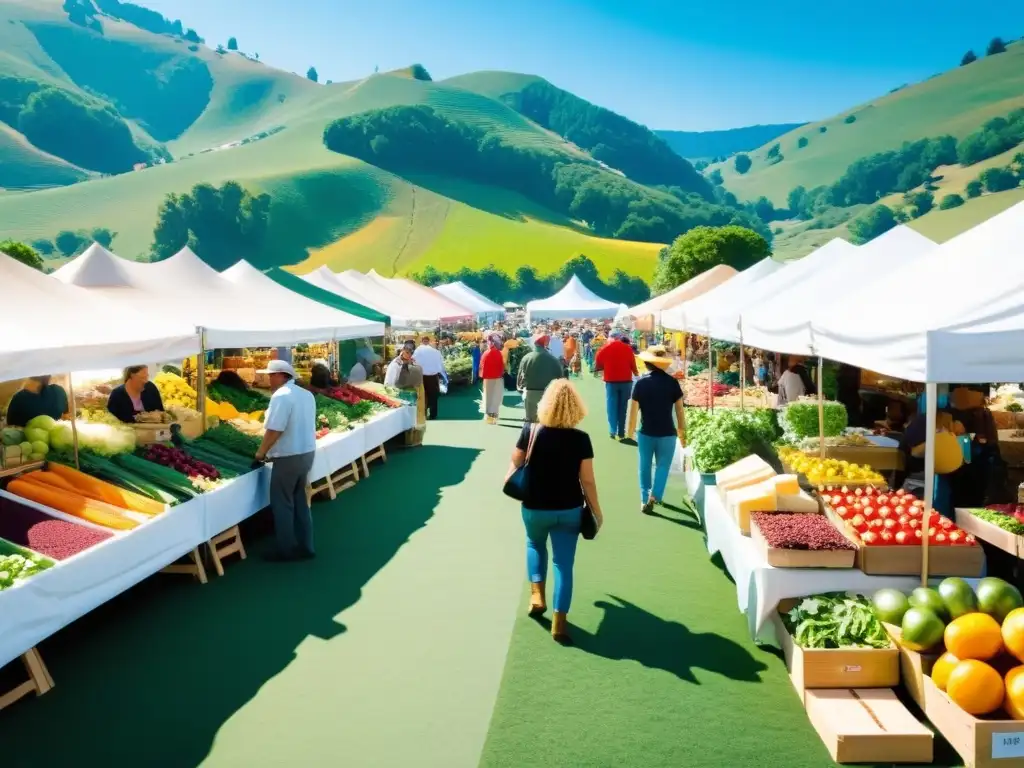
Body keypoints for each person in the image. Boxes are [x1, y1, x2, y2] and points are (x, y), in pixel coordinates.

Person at [506, 380, 603, 645]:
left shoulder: (531, 431)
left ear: (544, 404)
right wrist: (596, 510)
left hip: (535, 505)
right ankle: (560, 622)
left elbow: (516, 462)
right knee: (564, 564)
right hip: (569, 507)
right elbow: (588, 481)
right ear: (576, 408)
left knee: (535, 544)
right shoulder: (581, 439)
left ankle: (537, 594)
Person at [255, 360, 318, 562]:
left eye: (271, 375)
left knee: (282, 503)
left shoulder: (281, 396)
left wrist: (260, 452)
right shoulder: (306, 394)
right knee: (300, 499)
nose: (268, 378)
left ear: (282, 375)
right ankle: (306, 545)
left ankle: (285, 549)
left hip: (289, 456)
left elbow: (275, 429)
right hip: (307, 453)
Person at [626, 346, 686, 514]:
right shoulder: (673, 383)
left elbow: (633, 410)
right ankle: (655, 496)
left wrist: (630, 431)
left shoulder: (641, 383)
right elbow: (680, 411)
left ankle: (644, 498)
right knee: (663, 466)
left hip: (645, 432)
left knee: (644, 465)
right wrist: (682, 432)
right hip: (668, 433)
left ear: (647, 363)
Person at [594, 330, 638, 440]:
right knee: (623, 407)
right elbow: (633, 363)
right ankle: (621, 431)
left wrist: (602, 368)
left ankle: (612, 430)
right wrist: (636, 372)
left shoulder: (605, 348)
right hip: (626, 381)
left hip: (611, 381)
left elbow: (598, 361)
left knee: (611, 406)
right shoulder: (627, 348)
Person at [517, 332, 565, 423]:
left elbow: (520, 379)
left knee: (531, 422)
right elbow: (560, 379)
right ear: (545, 344)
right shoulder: (553, 359)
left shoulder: (526, 358)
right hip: (548, 394)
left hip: (530, 393)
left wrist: (520, 389)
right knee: (546, 422)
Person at [413, 336, 445, 420]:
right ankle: (433, 415)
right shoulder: (436, 352)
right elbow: (441, 365)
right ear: (429, 341)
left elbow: (413, 363)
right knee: (433, 396)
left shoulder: (417, 351)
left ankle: (423, 413)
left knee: (422, 396)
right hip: (433, 377)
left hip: (421, 377)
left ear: (422, 341)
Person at [480, 334, 506, 424]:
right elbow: (502, 366)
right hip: (498, 378)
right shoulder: (499, 353)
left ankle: (489, 418)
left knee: (488, 398)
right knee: (496, 398)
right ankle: (494, 418)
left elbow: (482, 367)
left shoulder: (486, 353)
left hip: (488, 379)